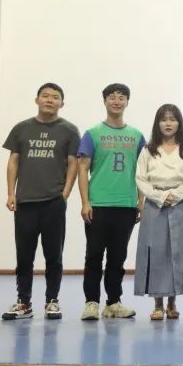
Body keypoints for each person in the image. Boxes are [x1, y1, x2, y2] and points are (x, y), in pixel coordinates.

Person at [1, 83, 80, 320]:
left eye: (55, 97)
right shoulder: (21, 128)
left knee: (54, 255)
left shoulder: (69, 130)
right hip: (25, 202)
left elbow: (73, 164)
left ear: (62, 104)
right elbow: (13, 161)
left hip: (53, 202)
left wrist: (65, 194)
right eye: (45, 96)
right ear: (37, 100)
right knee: (24, 255)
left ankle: (52, 301)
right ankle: (24, 303)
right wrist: (11, 193)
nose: (49, 100)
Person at [78, 83, 145, 321]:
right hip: (98, 204)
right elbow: (82, 169)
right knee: (94, 256)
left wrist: (141, 199)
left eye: (121, 97)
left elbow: (143, 171)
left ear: (127, 102)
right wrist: (85, 202)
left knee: (118, 258)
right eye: (112, 97)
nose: (117, 101)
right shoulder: (92, 133)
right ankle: (91, 303)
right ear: (105, 101)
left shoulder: (137, 136)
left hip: (126, 204)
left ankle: (113, 303)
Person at [134, 104, 183, 321]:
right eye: (164, 119)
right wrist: (159, 196)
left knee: (176, 252)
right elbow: (140, 178)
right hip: (154, 205)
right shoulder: (148, 150)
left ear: (179, 123)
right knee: (156, 253)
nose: (168, 123)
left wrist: (175, 195)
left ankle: (172, 302)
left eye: (172, 119)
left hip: (179, 204)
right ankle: (158, 304)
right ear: (157, 123)